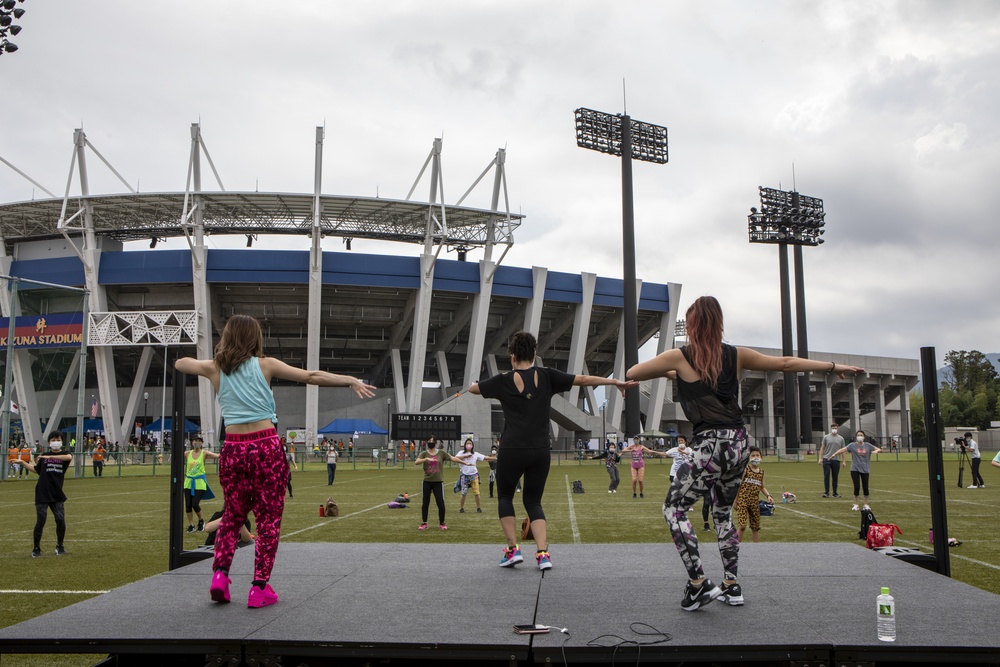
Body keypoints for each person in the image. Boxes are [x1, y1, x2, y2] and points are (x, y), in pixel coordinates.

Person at [627, 295, 864, 610]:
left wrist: (670, 370)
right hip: (740, 444)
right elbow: (785, 363)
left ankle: (698, 582)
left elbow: (633, 372)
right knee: (723, 513)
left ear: (693, 326)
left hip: (709, 445)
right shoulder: (736, 355)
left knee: (675, 509)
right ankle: (731, 584)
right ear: (719, 324)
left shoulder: (679, 356)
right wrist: (834, 366)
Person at [175, 313, 375, 608]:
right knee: (268, 520)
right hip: (266, 447)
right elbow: (310, 376)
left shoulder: (215, 369)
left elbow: (181, 363)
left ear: (228, 338)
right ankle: (258, 588)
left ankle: (220, 575)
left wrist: (212, 361)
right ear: (256, 339)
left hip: (232, 449)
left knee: (232, 515)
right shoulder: (265, 365)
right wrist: (348, 380)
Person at [468, 330, 637, 570]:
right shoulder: (547, 376)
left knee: (505, 496)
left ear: (512, 356)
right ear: (535, 354)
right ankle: (543, 554)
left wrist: (479, 383)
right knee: (533, 501)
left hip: (512, 448)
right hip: (540, 450)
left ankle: (512, 550)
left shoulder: (503, 380)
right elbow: (583, 380)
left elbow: (473, 389)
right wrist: (614, 382)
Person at [21, 432, 73, 557]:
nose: (56, 442)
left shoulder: (64, 454)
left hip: (56, 493)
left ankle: (60, 546)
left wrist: (49, 458)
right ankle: (36, 548)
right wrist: (23, 463)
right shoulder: (43, 455)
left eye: (58, 439)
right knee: (41, 520)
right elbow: (37, 470)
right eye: (53, 439)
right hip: (42, 492)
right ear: (49, 442)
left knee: (60, 519)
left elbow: (69, 458)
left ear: (61, 441)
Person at [414, 436, 466, 530]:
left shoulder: (441, 453)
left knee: (440, 503)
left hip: (438, 482)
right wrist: (426, 459)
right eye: (429, 441)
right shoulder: (424, 453)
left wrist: (465, 463)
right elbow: (416, 462)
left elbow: (453, 458)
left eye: (432, 441)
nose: (430, 442)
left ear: (435, 442)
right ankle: (424, 523)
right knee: (425, 503)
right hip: (427, 482)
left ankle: (442, 523)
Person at [827, 431, 882, 511]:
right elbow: (843, 449)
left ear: (864, 437)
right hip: (855, 469)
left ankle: (866, 504)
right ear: (856, 437)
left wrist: (876, 451)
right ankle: (856, 504)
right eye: (858, 435)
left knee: (865, 487)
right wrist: (834, 454)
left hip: (865, 469)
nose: (860, 436)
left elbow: (878, 449)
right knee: (857, 487)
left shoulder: (868, 445)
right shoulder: (852, 445)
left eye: (861, 435)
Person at [732, 446, 773, 543]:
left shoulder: (761, 472)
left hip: (754, 501)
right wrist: (735, 500)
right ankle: (736, 547)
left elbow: (762, 486)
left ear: (761, 457)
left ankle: (756, 548)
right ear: (749, 457)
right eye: (753, 455)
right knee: (742, 526)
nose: (755, 457)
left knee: (755, 527)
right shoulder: (746, 470)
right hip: (743, 500)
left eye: (757, 455)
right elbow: (739, 485)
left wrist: (768, 496)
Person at [184, 435, 220, 532]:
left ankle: (201, 521)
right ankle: (191, 525)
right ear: (192, 442)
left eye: (199, 441)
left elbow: (217, 456)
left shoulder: (204, 453)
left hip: (200, 483)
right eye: (195, 440)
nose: (197, 443)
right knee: (188, 505)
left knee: (195, 504)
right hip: (188, 482)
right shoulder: (187, 454)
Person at [455, 438, 496, 513]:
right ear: (465, 445)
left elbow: (485, 457)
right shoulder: (461, 452)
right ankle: (461, 508)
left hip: (474, 475)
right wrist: (465, 456)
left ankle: (478, 508)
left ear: (472, 445)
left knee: (477, 493)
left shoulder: (475, 454)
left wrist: (494, 458)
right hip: (464, 476)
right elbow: (455, 458)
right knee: (463, 493)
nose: (469, 445)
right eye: (467, 443)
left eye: (470, 443)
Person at [817, 423, 845, 498]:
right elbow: (822, 448)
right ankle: (826, 492)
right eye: (833, 428)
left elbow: (843, 450)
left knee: (835, 476)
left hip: (836, 459)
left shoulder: (841, 438)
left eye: (835, 428)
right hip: (826, 458)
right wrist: (820, 458)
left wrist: (844, 461)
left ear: (838, 428)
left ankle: (835, 493)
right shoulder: (826, 437)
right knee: (826, 476)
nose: (834, 429)